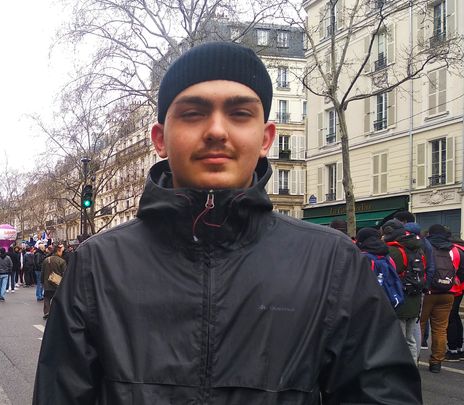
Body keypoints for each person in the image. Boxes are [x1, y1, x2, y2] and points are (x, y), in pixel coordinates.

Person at [33, 41, 421, 404]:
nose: (217, 130)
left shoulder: (333, 264)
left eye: (239, 113)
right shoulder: (96, 266)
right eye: (193, 113)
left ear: (266, 137)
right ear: (160, 139)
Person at [381, 219, 425, 364]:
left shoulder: (394, 251)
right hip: (415, 298)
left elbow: (388, 276)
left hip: (399, 300)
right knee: (410, 338)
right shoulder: (417, 248)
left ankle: (401, 372)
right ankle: (413, 367)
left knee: (398, 340)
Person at [422, 224, 463, 373]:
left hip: (428, 292)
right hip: (448, 293)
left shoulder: (425, 246)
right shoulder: (454, 249)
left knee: (419, 325)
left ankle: (415, 357)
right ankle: (436, 362)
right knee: (440, 329)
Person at [41, 244, 66, 320]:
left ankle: (47, 312)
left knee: (47, 298)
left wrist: (42, 281)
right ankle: (57, 313)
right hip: (58, 284)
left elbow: (43, 272)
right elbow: (65, 273)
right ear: (58, 251)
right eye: (61, 251)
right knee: (58, 299)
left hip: (47, 283)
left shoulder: (46, 260)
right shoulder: (62, 261)